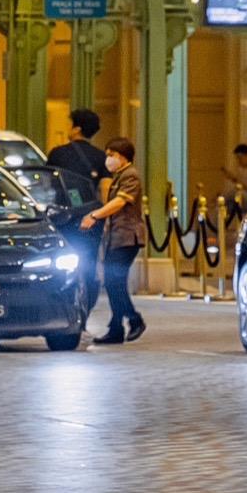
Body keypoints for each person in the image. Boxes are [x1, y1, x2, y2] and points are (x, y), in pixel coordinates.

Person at [80, 136, 147, 344]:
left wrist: (95, 215)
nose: (108, 159)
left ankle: (134, 320)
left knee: (113, 282)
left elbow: (119, 202)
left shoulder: (130, 175)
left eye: (112, 155)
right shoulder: (119, 176)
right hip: (117, 237)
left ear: (123, 156)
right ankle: (116, 328)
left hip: (127, 237)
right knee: (113, 283)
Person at [47, 108, 105, 198]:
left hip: (63, 202)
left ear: (77, 130)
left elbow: (47, 180)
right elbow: (105, 186)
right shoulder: (101, 155)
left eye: (69, 124)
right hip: (90, 204)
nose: (67, 128)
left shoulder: (58, 153)